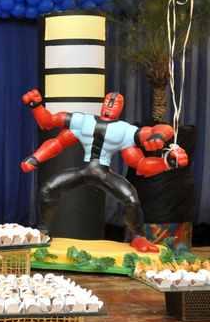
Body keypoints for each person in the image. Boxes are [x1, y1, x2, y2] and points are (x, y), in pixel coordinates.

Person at [20, 88, 188, 252]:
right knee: (48, 189)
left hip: (104, 173)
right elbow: (49, 123)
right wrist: (36, 106)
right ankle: (43, 231)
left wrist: (163, 150)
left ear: (121, 108)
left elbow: (150, 147)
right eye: (108, 101)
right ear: (103, 103)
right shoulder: (82, 121)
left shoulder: (124, 130)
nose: (110, 105)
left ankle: (138, 236)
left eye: (115, 103)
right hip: (85, 170)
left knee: (131, 200)